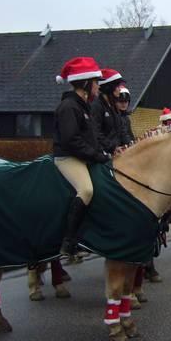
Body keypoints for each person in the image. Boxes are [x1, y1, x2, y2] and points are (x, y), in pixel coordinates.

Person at [53, 56, 109, 256]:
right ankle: (69, 240)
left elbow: (90, 137)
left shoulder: (83, 106)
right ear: (86, 83)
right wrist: (95, 155)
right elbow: (71, 140)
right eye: (96, 82)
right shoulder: (69, 107)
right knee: (86, 190)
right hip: (68, 158)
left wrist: (102, 153)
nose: (98, 87)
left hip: (82, 157)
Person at [91, 68, 125, 155]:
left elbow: (120, 131)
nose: (120, 89)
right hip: (103, 155)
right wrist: (112, 147)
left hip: (116, 152)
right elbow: (96, 133)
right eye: (117, 86)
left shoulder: (113, 106)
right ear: (109, 88)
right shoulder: (96, 106)